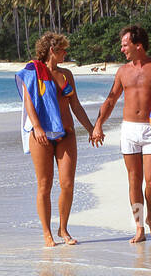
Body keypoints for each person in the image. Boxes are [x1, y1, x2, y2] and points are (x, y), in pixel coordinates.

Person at [90, 25, 151, 243]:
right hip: (129, 129)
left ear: (138, 45)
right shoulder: (122, 71)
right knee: (133, 181)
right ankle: (138, 226)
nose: (122, 49)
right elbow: (110, 100)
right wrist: (98, 124)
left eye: (125, 45)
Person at [17, 32, 101, 247]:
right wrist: (36, 127)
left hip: (66, 133)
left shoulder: (67, 74)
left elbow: (76, 105)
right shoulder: (32, 72)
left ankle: (63, 228)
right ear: (52, 51)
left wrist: (91, 128)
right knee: (44, 185)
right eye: (63, 49)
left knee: (67, 184)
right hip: (41, 135)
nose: (66, 53)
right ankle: (47, 233)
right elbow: (29, 102)